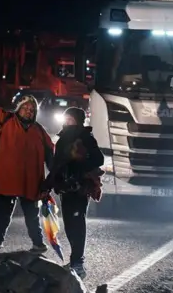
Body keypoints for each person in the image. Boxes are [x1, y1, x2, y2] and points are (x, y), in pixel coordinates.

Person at [0, 76, 54, 253]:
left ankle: (38, 243)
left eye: (32, 109)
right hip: (7, 177)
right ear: (18, 108)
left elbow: (50, 155)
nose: (28, 111)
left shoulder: (39, 131)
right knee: (3, 213)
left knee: (32, 215)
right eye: (25, 107)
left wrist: (53, 178)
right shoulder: (5, 120)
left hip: (30, 181)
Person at [40, 107, 104, 278]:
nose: (68, 122)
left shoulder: (86, 137)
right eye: (66, 119)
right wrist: (47, 185)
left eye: (72, 120)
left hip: (81, 187)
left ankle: (78, 262)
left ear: (79, 121)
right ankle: (75, 259)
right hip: (65, 187)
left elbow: (99, 159)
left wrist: (80, 161)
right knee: (69, 224)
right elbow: (56, 165)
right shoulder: (62, 139)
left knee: (78, 222)